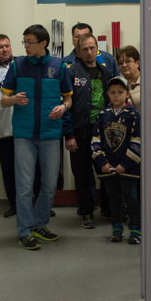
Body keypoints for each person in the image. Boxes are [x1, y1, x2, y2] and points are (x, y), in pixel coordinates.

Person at [0, 24, 73, 250]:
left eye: (29, 42)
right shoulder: (17, 65)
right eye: (24, 42)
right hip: (24, 135)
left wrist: (63, 107)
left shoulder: (59, 67)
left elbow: (68, 99)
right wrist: (13, 100)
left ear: (43, 43)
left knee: (49, 185)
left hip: (50, 134)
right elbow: (3, 100)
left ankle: (39, 224)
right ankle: (24, 230)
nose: (25, 46)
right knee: (24, 186)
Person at [0, 34, 47, 218]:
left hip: (26, 127)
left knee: (35, 167)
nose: (5, 50)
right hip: (3, 130)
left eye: (7, 46)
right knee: (9, 170)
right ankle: (15, 205)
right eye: (0, 47)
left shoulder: (23, 64)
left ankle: (40, 204)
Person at [63, 34, 113, 229]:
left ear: (97, 48)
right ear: (78, 50)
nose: (89, 52)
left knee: (106, 172)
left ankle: (107, 209)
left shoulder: (106, 73)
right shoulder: (71, 73)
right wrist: (69, 135)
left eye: (92, 48)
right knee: (82, 175)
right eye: (85, 49)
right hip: (80, 133)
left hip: (103, 134)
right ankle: (86, 212)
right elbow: (66, 106)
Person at [92, 76, 141, 244]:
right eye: (112, 92)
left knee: (131, 197)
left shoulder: (133, 115)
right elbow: (95, 141)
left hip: (129, 168)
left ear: (127, 94)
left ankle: (135, 229)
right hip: (109, 167)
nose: (116, 95)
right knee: (113, 198)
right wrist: (102, 163)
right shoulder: (102, 115)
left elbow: (137, 141)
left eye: (120, 92)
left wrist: (125, 164)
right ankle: (117, 228)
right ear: (108, 94)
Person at [116, 46, 141, 114]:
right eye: (121, 63)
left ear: (137, 63)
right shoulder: (117, 85)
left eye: (128, 61)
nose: (124, 65)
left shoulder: (147, 83)